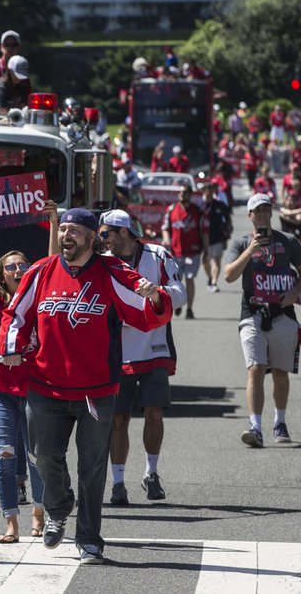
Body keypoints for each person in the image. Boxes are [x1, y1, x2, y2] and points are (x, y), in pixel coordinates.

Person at [0, 209, 172, 564]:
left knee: (92, 469)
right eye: (63, 229)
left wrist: (154, 296)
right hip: (45, 386)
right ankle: (59, 507)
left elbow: (145, 313)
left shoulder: (112, 273)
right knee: (44, 456)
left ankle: (90, 540)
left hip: (97, 391)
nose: (67, 236)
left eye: (75, 231)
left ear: (93, 237)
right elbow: (15, 315)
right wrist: (13, 348)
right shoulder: (40, 271)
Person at [0, 202, 58, 543]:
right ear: (1, 275)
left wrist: (54, 222)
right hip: (0, 392)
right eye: (11, 266)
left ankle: (39, 515)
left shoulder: (39, 297)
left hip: (35, 390)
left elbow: (52, 266)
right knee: (5, 455)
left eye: (23, 265)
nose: (19, 269)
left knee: (38, 458)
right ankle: (11, 525)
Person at [98, 209, 186, 505]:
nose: (102, 239)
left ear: (123, 232)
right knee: (119, 418)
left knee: (155, 413)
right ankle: (118, 481)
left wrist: (157, 294)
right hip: (117, 349)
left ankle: (151, 472)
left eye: (105, 233)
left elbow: (180, 293)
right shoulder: (103, 262)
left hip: (154, 345)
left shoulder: (157, 255)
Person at [224, 193, 301, 446]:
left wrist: (295, 292)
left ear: (271, 213)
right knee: (255, 369)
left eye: (266, 210)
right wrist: (251, 250)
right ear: (249, 215)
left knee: (281, 372)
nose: (262, 215)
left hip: (283, 313)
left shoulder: (288, 241)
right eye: (257, 211)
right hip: (252, 313)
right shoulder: (241, 243)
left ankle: (280, 422)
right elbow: (229, 275)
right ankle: (255, 426)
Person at [160, 184, 207, 319]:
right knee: (176, 280)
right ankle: (178, 304)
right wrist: (166, 239)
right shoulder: (171, 210)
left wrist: (206, 251)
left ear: (190, 194)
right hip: (176, 253)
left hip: (193, 251)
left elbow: (204, 232)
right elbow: (165, 227)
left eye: (185, 192)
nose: (182, 194)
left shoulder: (197, 211)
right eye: (180, 192)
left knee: (190, 279)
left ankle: (190, 309)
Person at [201, 181, 233, 291]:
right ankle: (210, 277)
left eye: (211, 189)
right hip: (204, 239)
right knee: (206, 262)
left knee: (217, 260)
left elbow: (227, 218)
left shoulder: (219, 205)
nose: (209, 192)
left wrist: (228, 231)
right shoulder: (201, 206)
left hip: (218, 237)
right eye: (207, 189)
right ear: (204, 191)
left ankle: (214, 281)